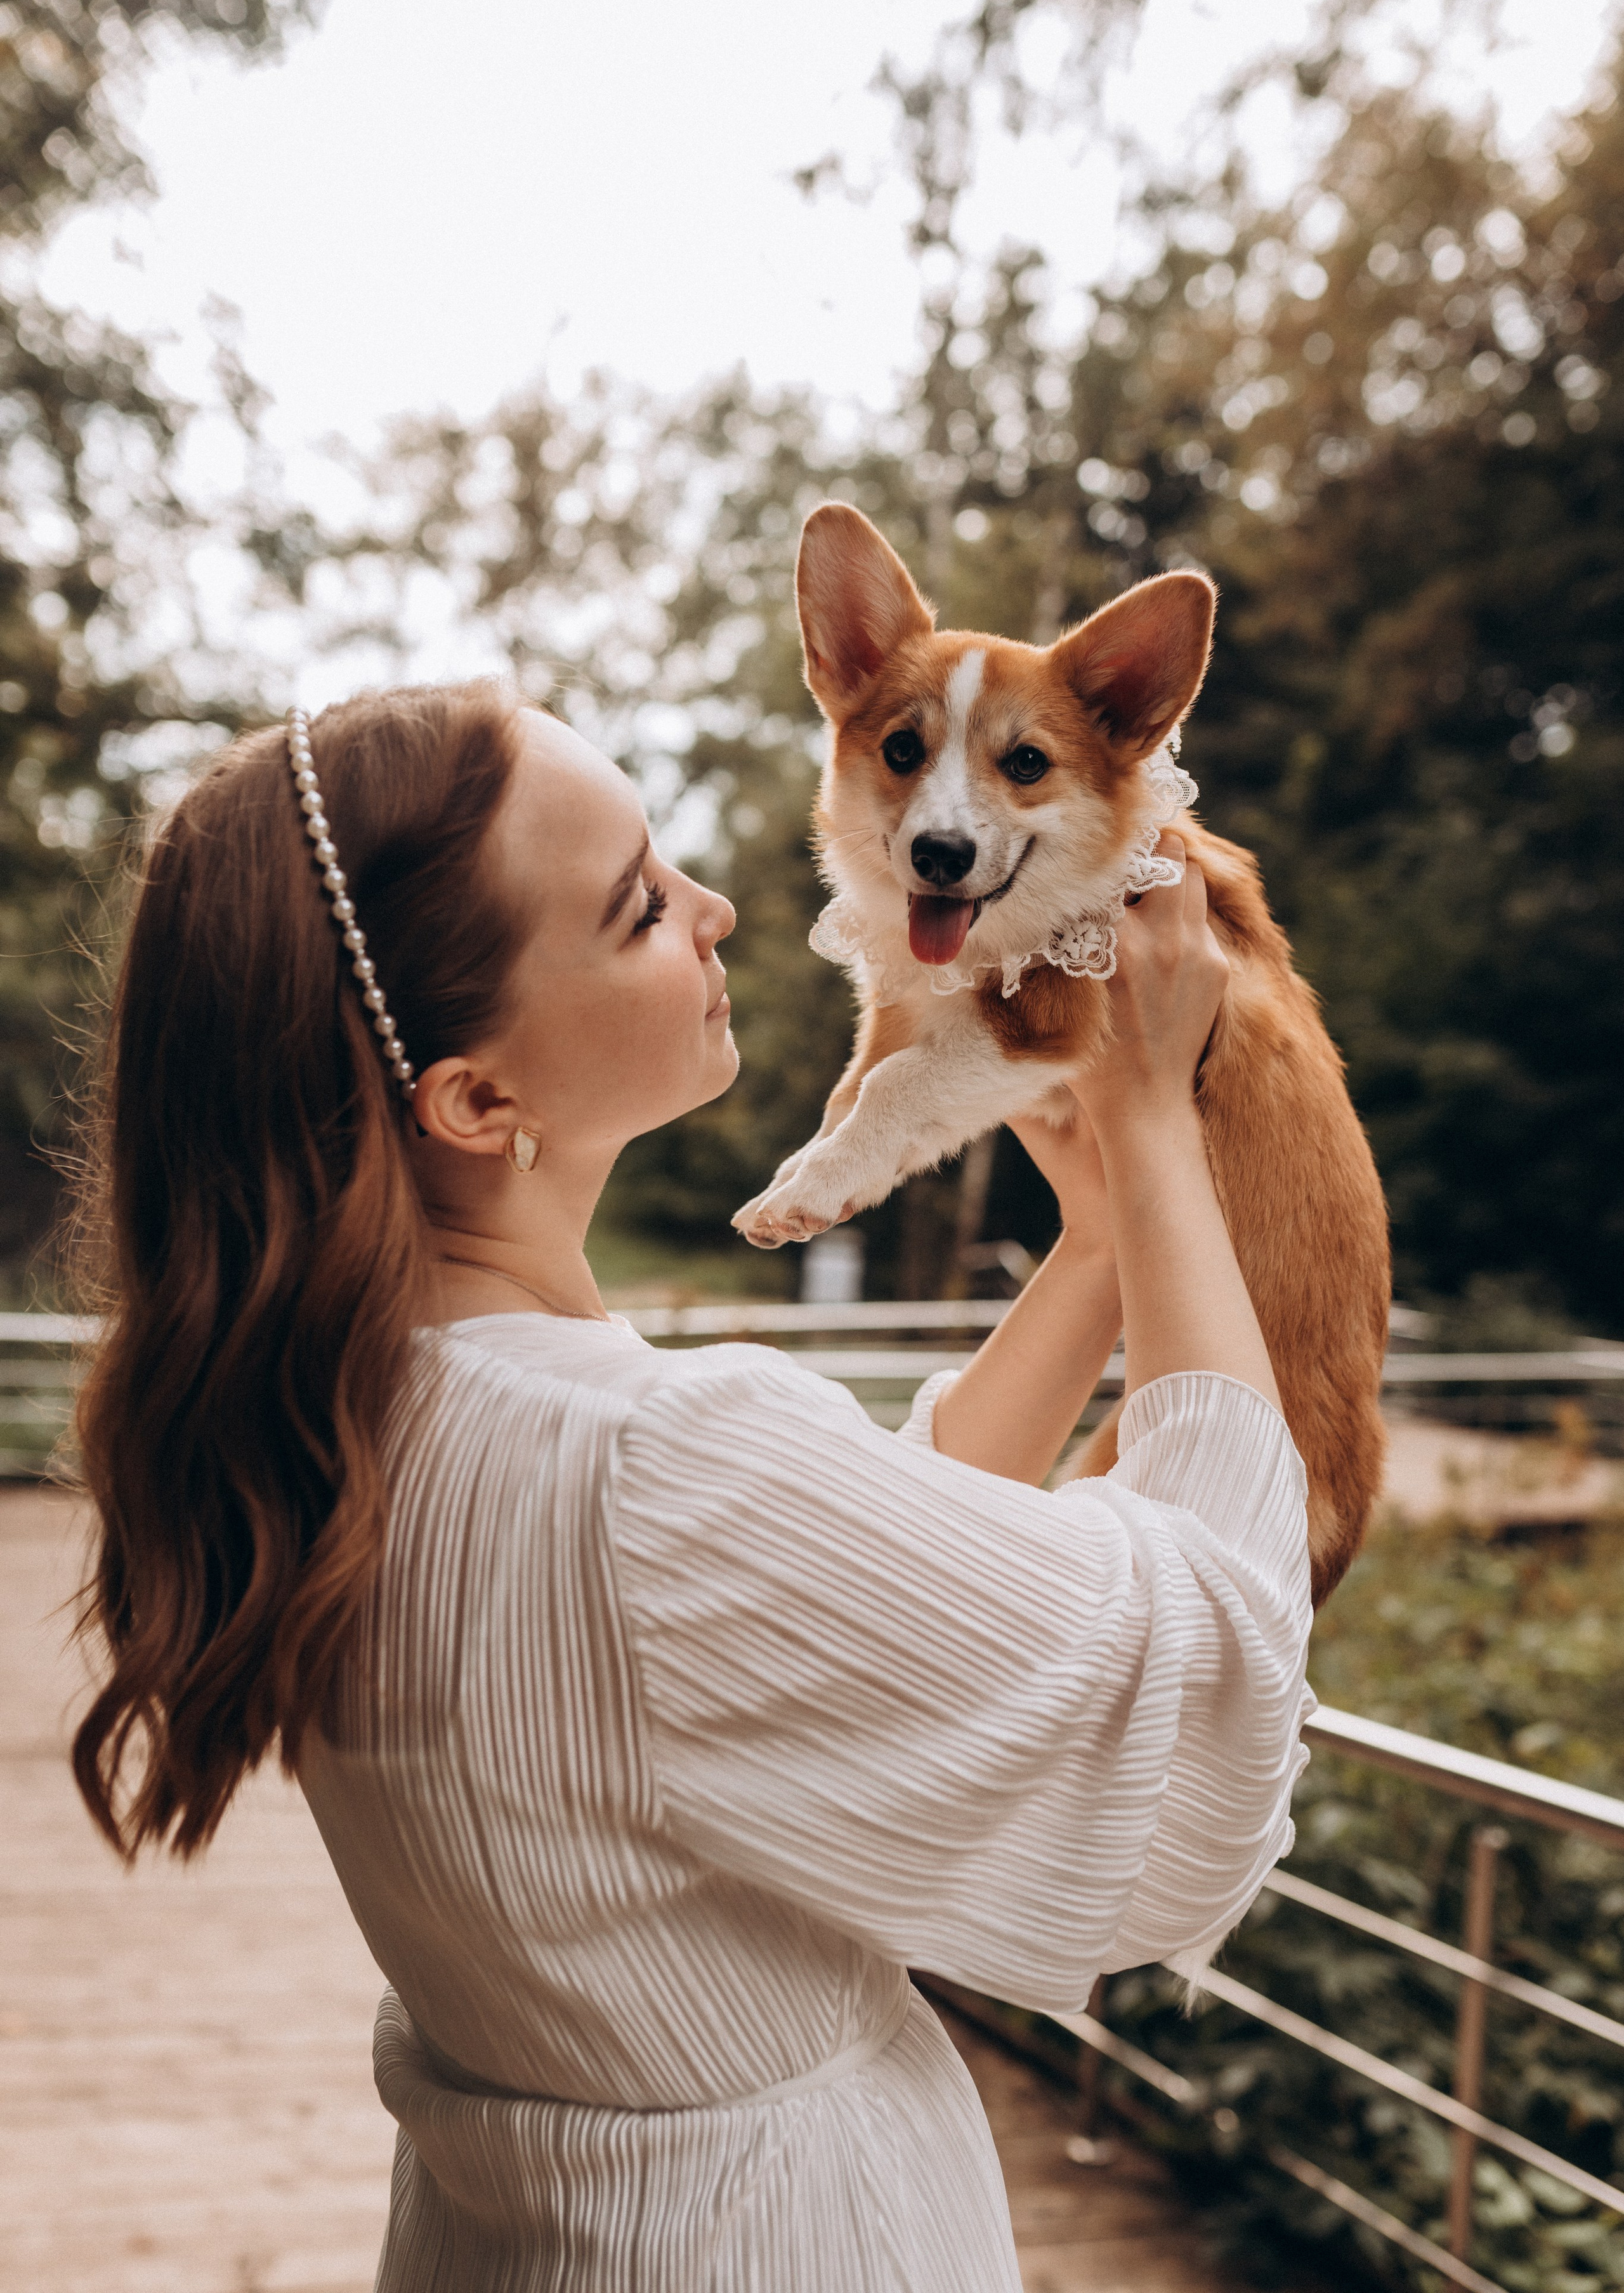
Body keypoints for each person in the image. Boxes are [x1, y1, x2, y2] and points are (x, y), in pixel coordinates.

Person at [69, 680, 1311, 2292]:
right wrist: (1150, 1121)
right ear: (475, 1099)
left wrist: (1093, 1254)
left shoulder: (361, 1404)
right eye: (642, 903)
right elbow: (1209, 1654)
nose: (723, 909)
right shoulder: (648, 1465)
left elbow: (832, 1587)